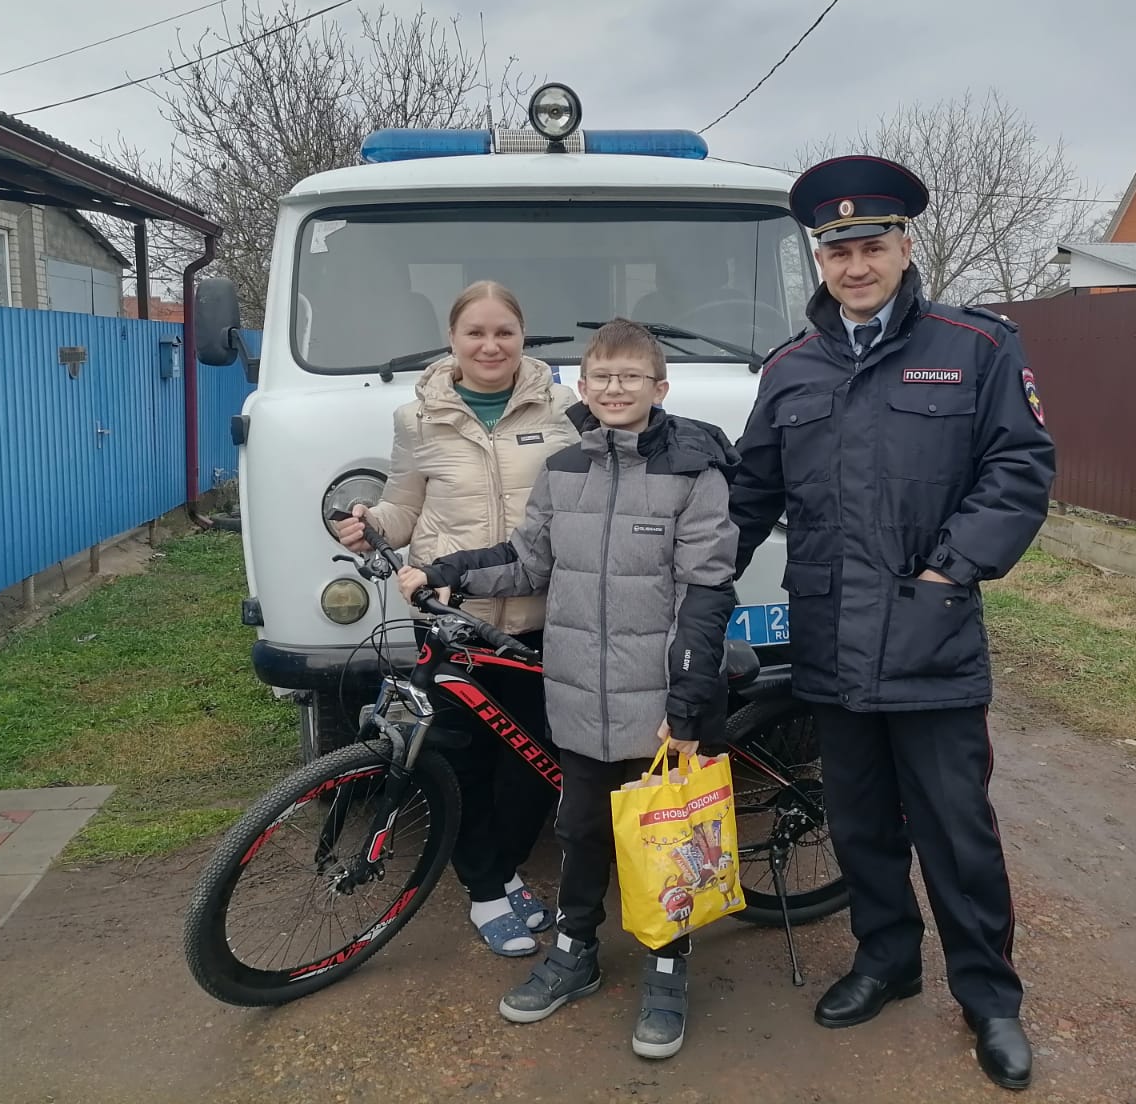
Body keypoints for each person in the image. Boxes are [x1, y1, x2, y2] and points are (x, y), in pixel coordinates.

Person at [729, 156, 1056, 1092]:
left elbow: (1019, 470)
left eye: (872, 246)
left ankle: (990, 1000)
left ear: (905, 247)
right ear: (819, 261)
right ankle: (885, 960)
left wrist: (950, 569)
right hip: (830, 640)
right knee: (859, 821)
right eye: (838, 251)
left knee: (958, 831)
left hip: (929, 638)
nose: (856, 265)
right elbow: (749, 495)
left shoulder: (976, 347)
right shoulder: (789, 370)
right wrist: (686, 574)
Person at [394, 318, 739, 1062]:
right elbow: (528, 562)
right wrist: (450, 572)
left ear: (659, 387)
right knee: (581, 831)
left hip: (663, 699)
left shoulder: (695, 473)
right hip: (580, 692)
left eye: (631, 377)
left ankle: (667, 967)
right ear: (581, 386)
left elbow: (707, 589)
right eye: (602, 377)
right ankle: (576, 949)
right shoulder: (564, 468)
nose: (615, 389)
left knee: (666, 840)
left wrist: (686, 701)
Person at [335, 280, 578, 958]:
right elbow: (404, 509)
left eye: (504, 332)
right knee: (460, 757)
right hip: (449, 617)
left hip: (541, 613)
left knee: (536, 760)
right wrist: (368, 523)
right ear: (453, 339)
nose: (490, 345)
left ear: (522, 337)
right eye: (476, 332)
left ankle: (503, 868)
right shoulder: (417, 419)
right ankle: (486, 889)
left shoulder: (565, 409)